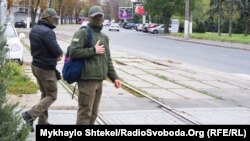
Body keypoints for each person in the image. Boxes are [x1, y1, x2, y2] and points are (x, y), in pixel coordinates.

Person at [69, 5, 122, 125]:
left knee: (93, 114)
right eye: (95, 16)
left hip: (99, 81)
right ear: (89, 17)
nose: (98, 18)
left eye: (100, 16)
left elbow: (107, 59)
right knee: (85, 113)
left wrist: (115, 78)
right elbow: (73, 52)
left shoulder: (104, 37)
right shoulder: (82, 33)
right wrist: (93, 50)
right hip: (86, 81)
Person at [22, 8, 63, 132]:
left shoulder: (34, 29)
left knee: (45, 94)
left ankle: (43, 123)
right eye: (54, 18)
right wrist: (59, 54)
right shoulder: (47, 32)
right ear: (48, 18)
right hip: (46, 69)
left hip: (36, 66)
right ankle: (30, 115)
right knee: (52, 95)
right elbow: (57, 51)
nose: (55, 20)